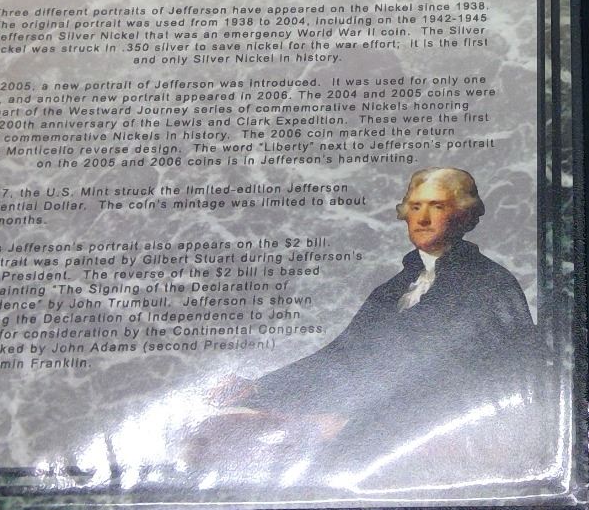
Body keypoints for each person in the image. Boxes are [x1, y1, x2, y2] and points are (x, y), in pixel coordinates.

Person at [194, 167, 544, 487]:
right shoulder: (393, 290)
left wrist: (352, 420)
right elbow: (343, 358)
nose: (422, 219)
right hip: (375, 434)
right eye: (415, 207)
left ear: (464, 215)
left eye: (437, 207)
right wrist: (259, 388)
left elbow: (469, 383)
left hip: (444, 451)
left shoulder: (489, 284)